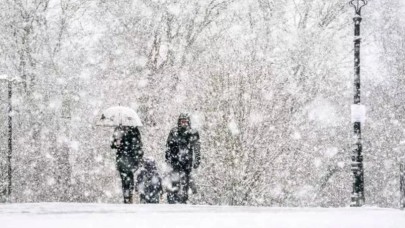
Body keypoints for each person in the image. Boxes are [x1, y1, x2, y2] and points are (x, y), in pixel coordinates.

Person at [165, 113, 201, 204]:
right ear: (179, 122)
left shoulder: (192, 132)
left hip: (187, 161)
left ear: (188, 122)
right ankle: (173, 199)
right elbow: (168, 146)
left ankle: (184, 199)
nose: (184, 123)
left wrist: (197, 159)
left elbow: (197, 147)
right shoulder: (174, 132)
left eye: (185, 121)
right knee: (175, 181)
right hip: (175, 161)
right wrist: (167, 159)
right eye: (182, 121)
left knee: (185, 182)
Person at [111, 125, 143, 204]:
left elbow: (138, 144)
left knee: (129, 177)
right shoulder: (118, 129)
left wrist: (138, 156)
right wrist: (116, 143)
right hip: (122, 158)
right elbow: (112, 144)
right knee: (124, 179)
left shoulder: (134, 130)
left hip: (131, 158)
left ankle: (129, 195)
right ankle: (126, 196)